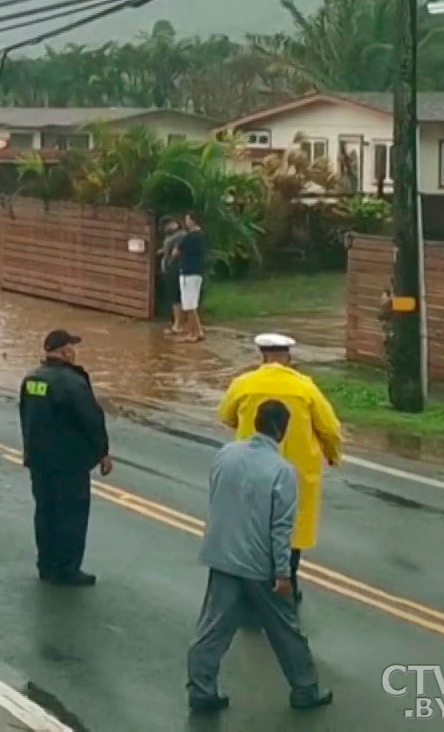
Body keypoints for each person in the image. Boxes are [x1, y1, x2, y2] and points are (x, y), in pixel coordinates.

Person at [186, 399, 333, 713]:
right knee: (285, 631)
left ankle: (201, 689)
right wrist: (282, 574)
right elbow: (281, 528)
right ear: (282, 429)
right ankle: (304, 689)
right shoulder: (282, 470)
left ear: (256, 422)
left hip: (222, 556)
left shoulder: (225, 454)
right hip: (259, 565)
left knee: (212, 629)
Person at [217, 333, 343, 602]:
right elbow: (330, 429)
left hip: (252, 469)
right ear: (288, 357)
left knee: (252, 527)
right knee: (290, 529)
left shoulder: (244, 384)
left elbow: (225, 415)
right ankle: (289, 583)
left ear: (262, 355)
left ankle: (251, 589)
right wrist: (333, 455)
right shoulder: (305, 388)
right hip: (295, 473)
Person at [18, 330, 113, 585]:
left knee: (46, 512)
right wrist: (102, 452)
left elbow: (26, 418)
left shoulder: (31, 379)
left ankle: (46, 565)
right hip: (69, 463)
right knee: (71, 514)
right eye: (73, 347)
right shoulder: (72, 382)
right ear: (65, 351)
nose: (75, 352)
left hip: (39, 461)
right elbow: (91, 419)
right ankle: (67, 568)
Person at [175, 213, 209, 343]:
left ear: (193, 221)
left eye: (187, 219)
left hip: (188, 272)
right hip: (197, 272)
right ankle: (199, 331)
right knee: (192, 303)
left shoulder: (188, 237)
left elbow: (176, 252)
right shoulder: (202, 236)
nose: (186, 221)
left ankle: (192, 334)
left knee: (189, 305)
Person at [158, 216, 186, 336]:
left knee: (176, 298)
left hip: (175, 269)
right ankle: (177, 323)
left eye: (166, 225)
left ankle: (178, 325)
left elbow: (177, 251)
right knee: (173, 297)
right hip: (169, 269)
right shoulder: (171, 236)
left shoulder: (181, 235)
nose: (165, 228)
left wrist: (170, 260)